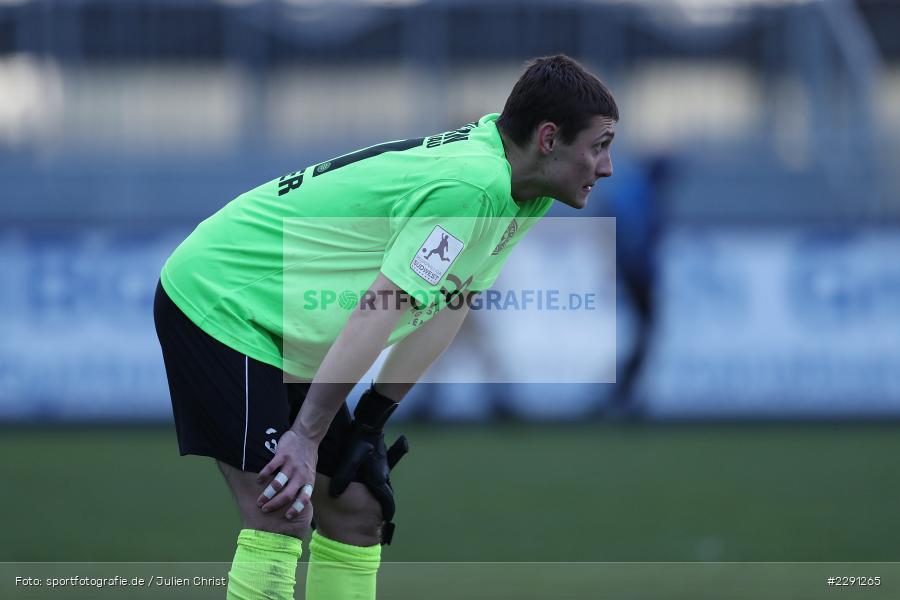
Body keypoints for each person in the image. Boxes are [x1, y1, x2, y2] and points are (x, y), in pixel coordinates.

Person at [153, 54, 617, 600]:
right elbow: (384, 306)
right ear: (547, 138)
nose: (606, 167)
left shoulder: (525, 188)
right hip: (223, 301)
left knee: (357, 507)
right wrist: (305, 436)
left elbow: (450, 301)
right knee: (280, 507)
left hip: (279, 325)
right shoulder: (471, 187)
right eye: (600, 145)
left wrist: (372, 421)